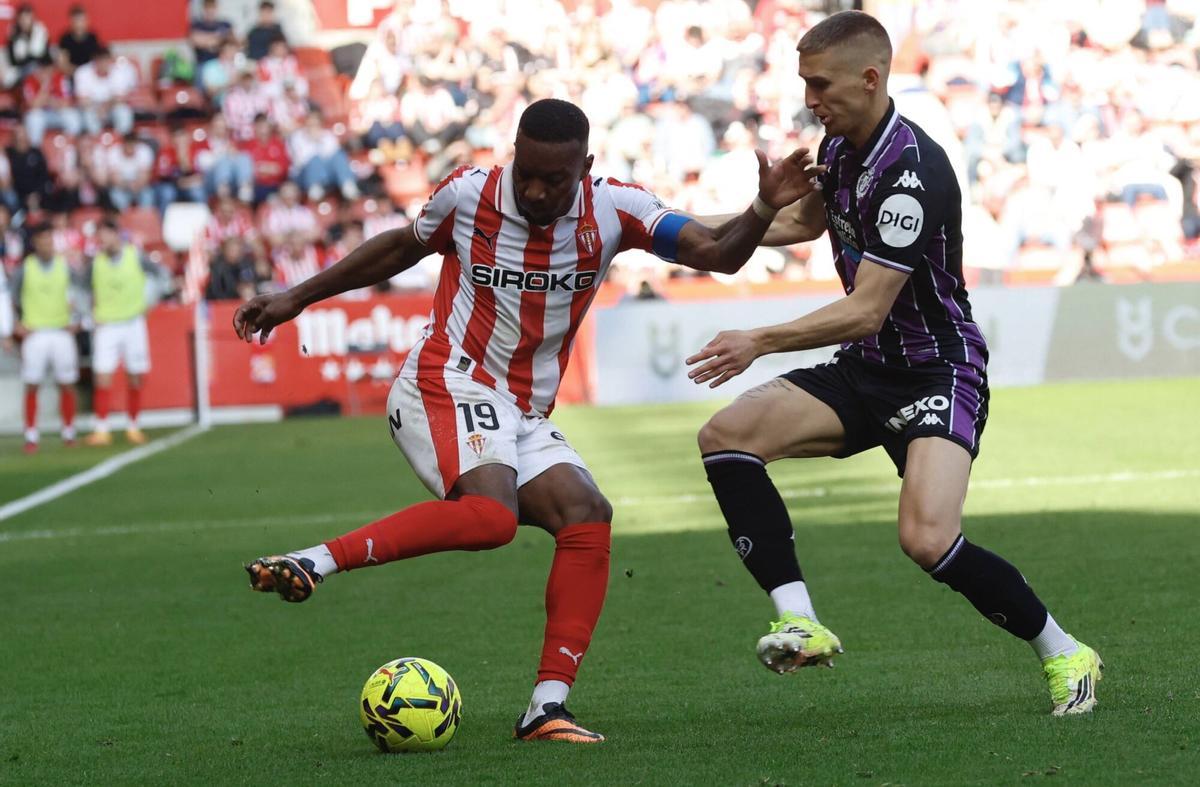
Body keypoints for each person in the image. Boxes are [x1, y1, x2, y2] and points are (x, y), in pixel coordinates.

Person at [234, 98, 821, 743]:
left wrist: (763, 207)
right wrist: (296, 296)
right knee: (492, 517)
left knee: (587, 514)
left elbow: (718, 252)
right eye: (527, 174)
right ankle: (314, 561)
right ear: (512, 155)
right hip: (444, 378)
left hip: (521, 408)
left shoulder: (615, 209)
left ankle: (547, 707)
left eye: (555, 180)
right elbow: (401, 248)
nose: (537, 191)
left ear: (586, 168)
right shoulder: (467, 195)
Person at [687, 11, 1102, 717]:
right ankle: (801, 622)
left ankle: (1066, 652)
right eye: (805, 84)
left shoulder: (911, 172)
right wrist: (716, 220)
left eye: (820, 85)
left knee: (928, 538)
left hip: (936, 369)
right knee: (726, 437)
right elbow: (806, 221)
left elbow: (866, 307)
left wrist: (758, 338)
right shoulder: (842, 145)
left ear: (871, 77)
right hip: (866, 367)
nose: (809, 99)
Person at [82, 220, 169, 445]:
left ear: (117, 235)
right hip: (107, 324)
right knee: (102, 375)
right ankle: (102, 428)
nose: (103, 241)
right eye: (100, 237)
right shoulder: (95, 263)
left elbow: (161, 275)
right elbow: (82, 290)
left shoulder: (135, 255)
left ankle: (133, 425)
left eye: (106, 235)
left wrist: (149, 300)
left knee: (135, 375)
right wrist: (88, 315)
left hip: (132, 322)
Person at [11, 224, 80, 454]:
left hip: (61, 330)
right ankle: (31, 434)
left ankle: (69, 431)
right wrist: (16, 323)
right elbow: (12, 297)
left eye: (49, 240)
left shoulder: (65, 267)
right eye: (42, 240)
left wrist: (77, 318)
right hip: (36, 332)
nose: (46, 244)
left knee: (67, 382)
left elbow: (79, 293)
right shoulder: (25, 268)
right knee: (32, 383)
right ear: (35, 243)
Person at [189, 0, 234, 68]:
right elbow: (196, 41)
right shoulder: (197, 25)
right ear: (203, 9)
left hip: (222, 63)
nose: (210, 11)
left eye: (212, 8)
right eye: (208, 9)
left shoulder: (225, 24)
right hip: (203, 63)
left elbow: (232, 41)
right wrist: (218, 36)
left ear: (216, 8)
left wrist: (205, 38)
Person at [57, 5, 102, 72]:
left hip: (90, 75)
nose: (79, 23)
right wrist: (78, 72)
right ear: (71, 21)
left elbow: (98, 60)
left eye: (82, 20)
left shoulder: (93, 38)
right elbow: (62, 63)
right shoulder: (65, 39)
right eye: (76, 20)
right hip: (71, 74)